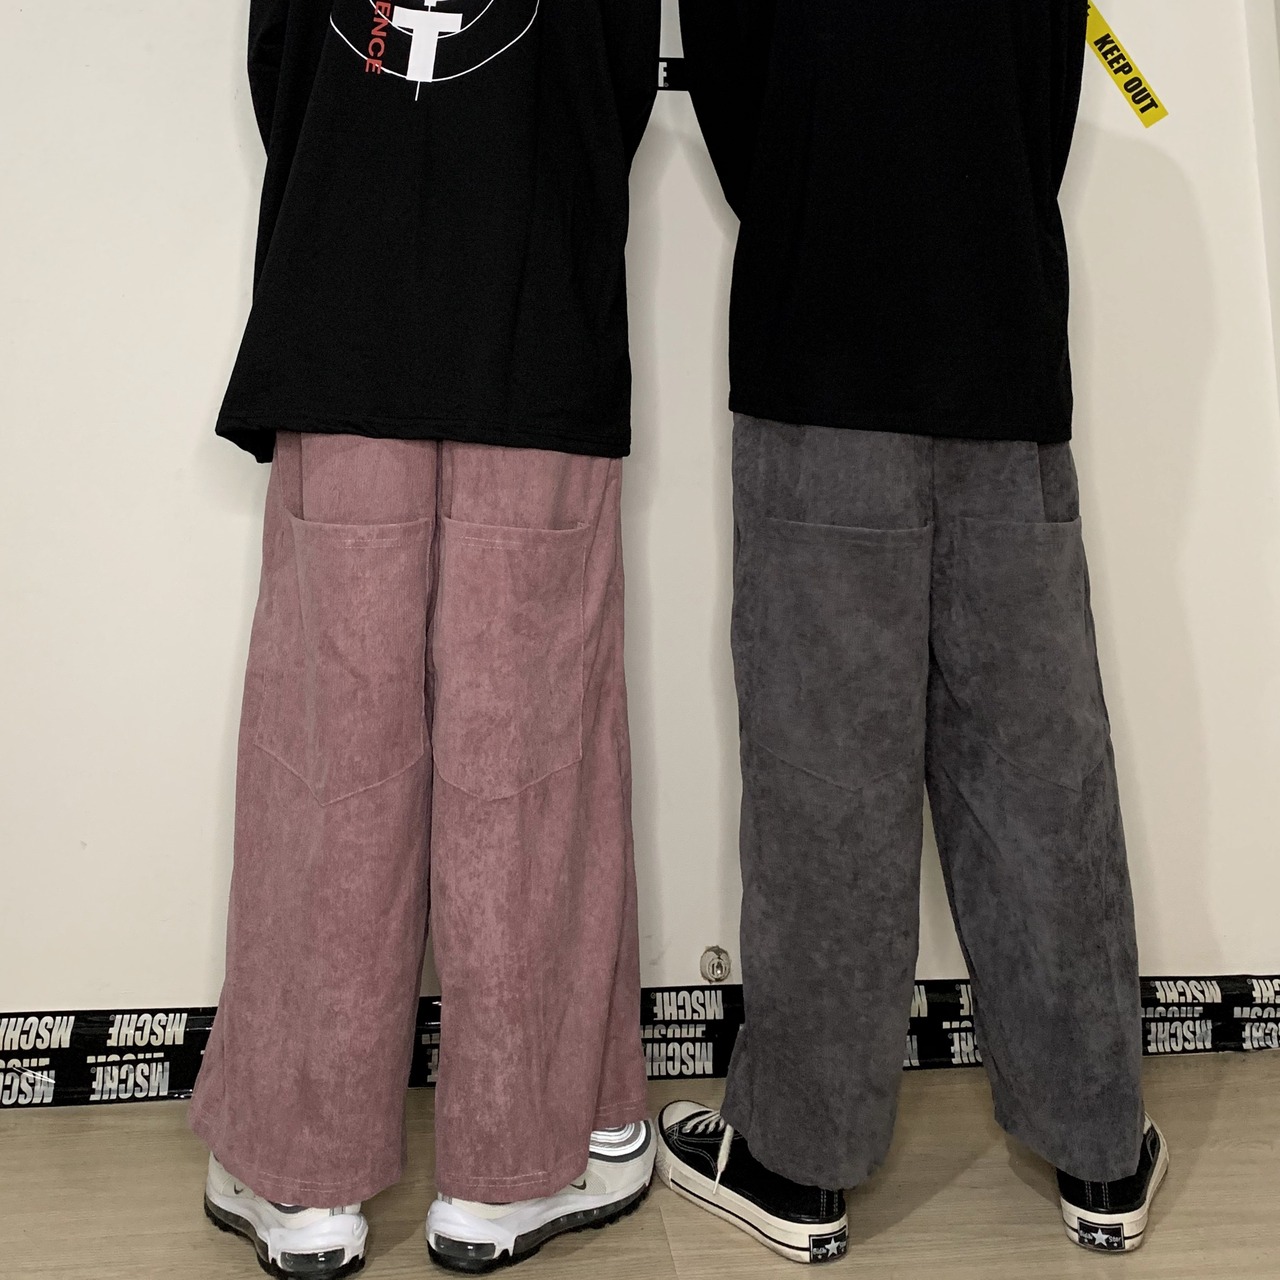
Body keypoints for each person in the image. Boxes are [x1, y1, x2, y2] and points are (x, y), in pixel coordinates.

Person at [658, 0, 1167, 1262]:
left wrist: (825, 203)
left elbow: (737, 104)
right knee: (1039, 775)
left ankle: (796, 1163)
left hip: (818, 356)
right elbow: (1046, 99)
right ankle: (1099, 1146)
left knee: (823, 781)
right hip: (1000, 353)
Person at [191, 3, 661, 1275]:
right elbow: (616, 82)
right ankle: (522, 1162)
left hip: (342, 308)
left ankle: (302, 1174)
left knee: (329, 756)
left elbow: (284, 65)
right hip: (536, 318)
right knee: (532, 764)